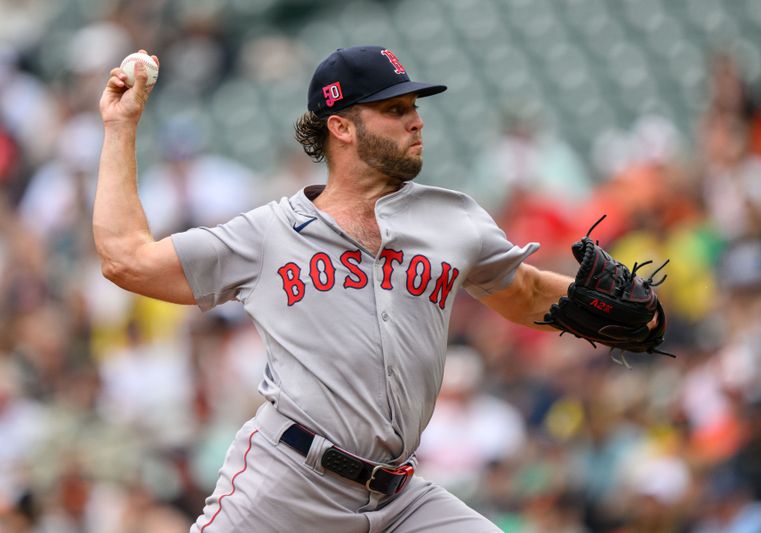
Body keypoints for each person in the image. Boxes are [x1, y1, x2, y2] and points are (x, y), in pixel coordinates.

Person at [94, 45, 651, 532]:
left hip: (400, 498)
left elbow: (524, 291)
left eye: (413, 108)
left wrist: (625, 314)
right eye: (394, 109)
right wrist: (122, 127)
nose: (416, 121)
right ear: (340, 125)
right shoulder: (266, 234)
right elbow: (126, 259)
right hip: (288, 484)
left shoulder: (451, 218)